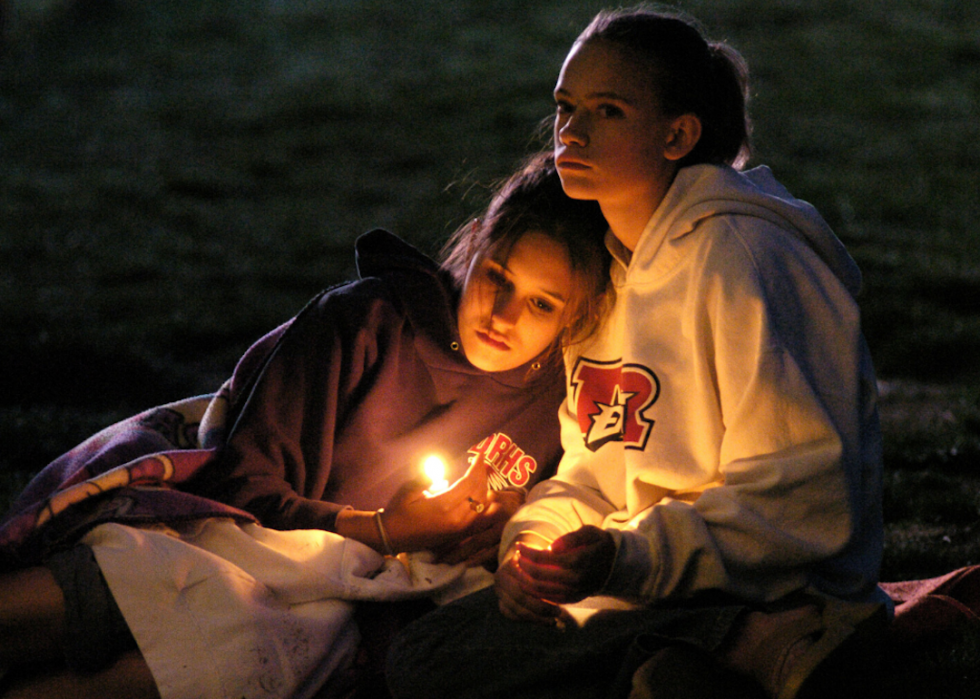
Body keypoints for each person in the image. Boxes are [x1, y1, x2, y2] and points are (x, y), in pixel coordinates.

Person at [386, 8, 888, 699]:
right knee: (423, 657)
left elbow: (802, 501)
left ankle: (773, 642)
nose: (572, 131)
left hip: (768, 584)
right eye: (565, 107)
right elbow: (592, 473)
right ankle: (698, 665)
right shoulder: (604, 275)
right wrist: (532, 547)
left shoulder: (742, 260)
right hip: (647, 579)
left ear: (677, 135)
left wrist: (629, 556)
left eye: (608, 111)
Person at [0, 153, 612, 699]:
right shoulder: (368, 324)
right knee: (86, 600)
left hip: (325, 617)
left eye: (541, 304)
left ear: (575, 314)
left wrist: (503, 529)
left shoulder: (556, 404)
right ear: (474, 243)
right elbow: (237, 483)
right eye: (497, 277)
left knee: (189, 665)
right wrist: (382, 528)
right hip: (227, 541)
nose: (502, 315)